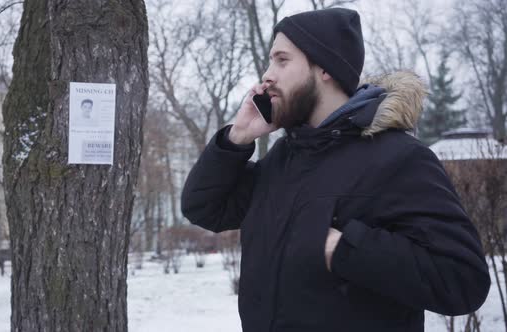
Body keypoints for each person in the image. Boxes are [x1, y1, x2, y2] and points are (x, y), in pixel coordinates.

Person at [181, 8, 490, 332]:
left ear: (325, 68)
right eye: (270, 61)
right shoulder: (283, 159)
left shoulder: (400, 159)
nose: (267, 75)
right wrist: (236, 138)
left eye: (282, 60)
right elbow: (204, 208)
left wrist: (343, 248)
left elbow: (462, 278)